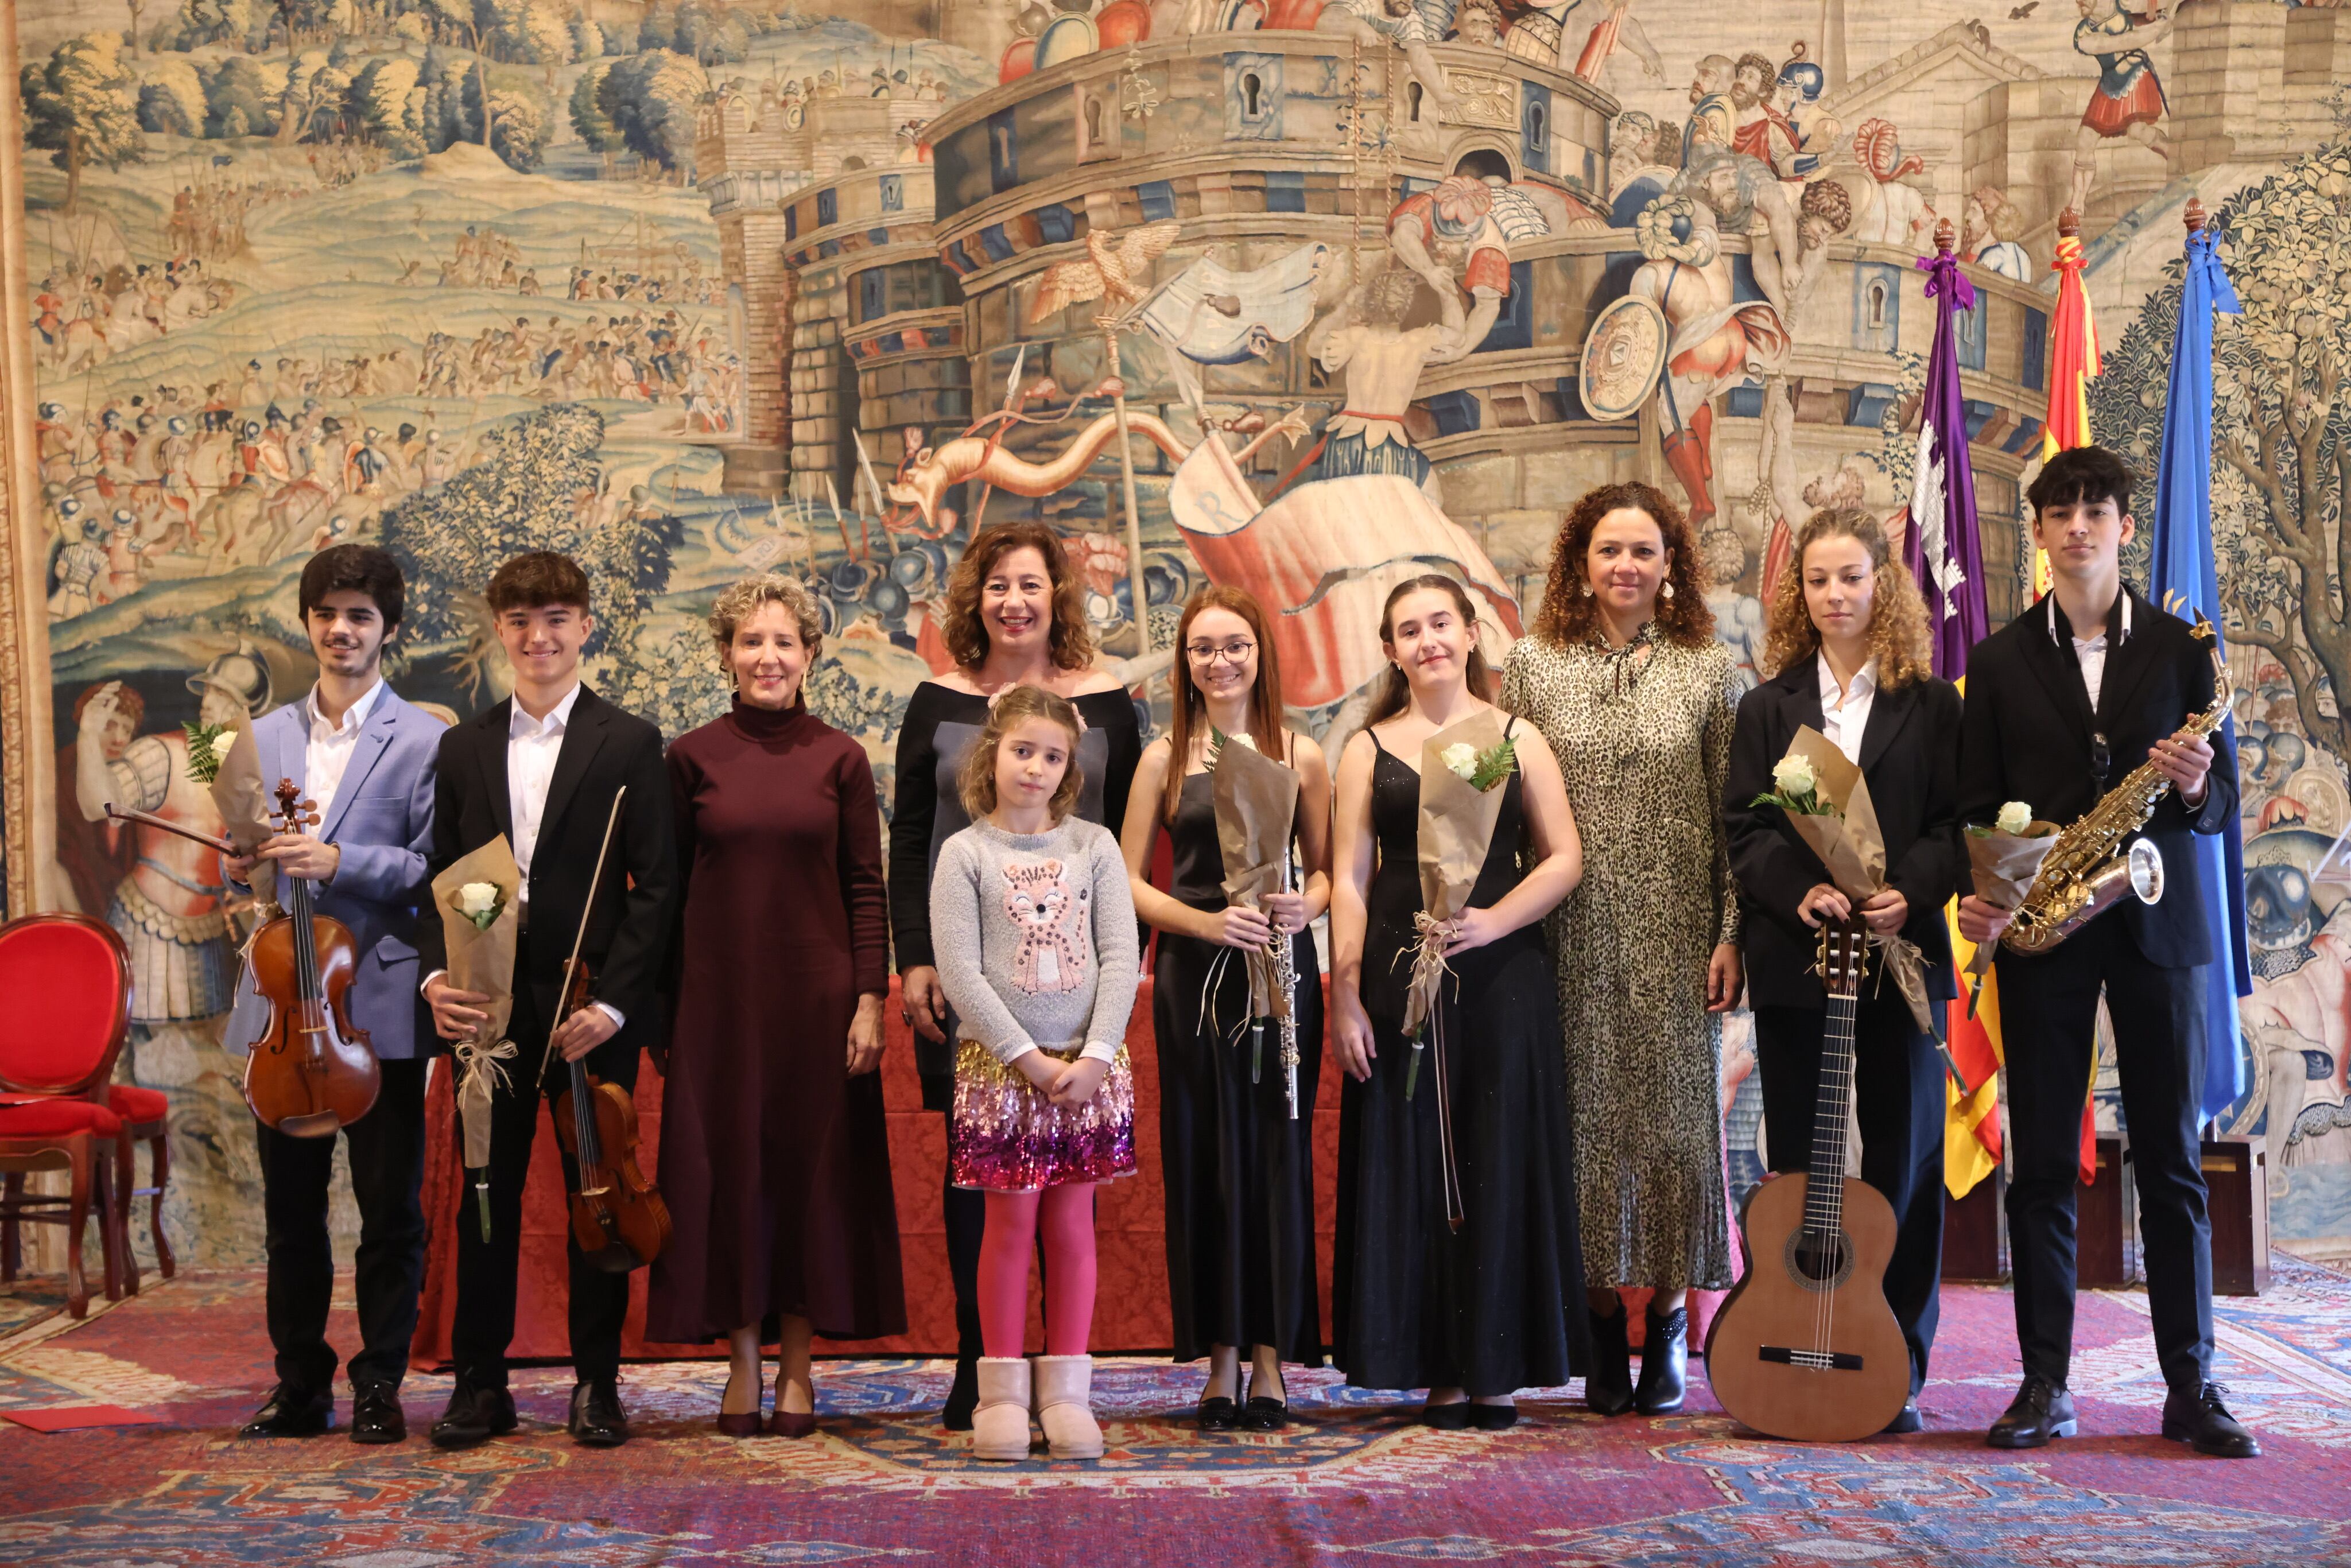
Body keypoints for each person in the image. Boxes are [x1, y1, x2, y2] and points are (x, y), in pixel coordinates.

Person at [1956, 446, 2257, 1458]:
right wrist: (1992, 900)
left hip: (2154, 920)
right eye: (2061, 512)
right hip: (2047, 927)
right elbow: (1971, 809)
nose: (2079, 526)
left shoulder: (2181, 650)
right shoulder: (1996, 664)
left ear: (2126, 526)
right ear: (2038, 533)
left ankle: (2193, 1384)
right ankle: (2044, 1384)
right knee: (2041, 1164)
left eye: (2097, 510)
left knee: (2171, 1160)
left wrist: (2188, 785)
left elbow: (2220, 810)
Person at [418, 553, 678, 1451]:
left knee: (595, 1195)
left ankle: (597, 1386)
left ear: (585, 627)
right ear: (500, 630)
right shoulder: (463, 747)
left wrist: (616, 1010)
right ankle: (480, 1386)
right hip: (486, 1011)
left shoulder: (630, 742)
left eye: (559, 618)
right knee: (482, 1197)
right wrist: (435, 982)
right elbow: (436, 881)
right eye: (523, 621)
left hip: (587, 1004)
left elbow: (658, 892)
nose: (541, 638)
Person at [887, 522, 1141, 1430]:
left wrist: (1113, 1002)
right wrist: (916, 955)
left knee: (1068, 1201)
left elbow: (1130, 832)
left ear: (1056, 597)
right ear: (976, 598)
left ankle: (1064, 1385)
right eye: (997, 585)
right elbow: (911, 836)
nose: (1014, 601)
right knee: (984, 1181)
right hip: (974, 986)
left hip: (1083, 995)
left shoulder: (1109, 701)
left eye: (1030, 584)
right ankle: (980, 1367)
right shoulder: (936, 700)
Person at [1499, 482, 1744, 1417]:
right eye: (1609, 551)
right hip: (1566, 936)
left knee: (1678, 1137)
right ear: (1581, 562)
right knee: (1584, 1137)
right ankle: (1602, 1322)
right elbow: (1511, 816)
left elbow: (1736, 820)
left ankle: (1672, 1320)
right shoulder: (1531, 666)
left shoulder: (1709, 672)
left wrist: (1730, 936)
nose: (1626, 567)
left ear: (1670, 564)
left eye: (1644, 551)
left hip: (1679, 932)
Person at [1722, 508, 1963, 1435]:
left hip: (1901, 957)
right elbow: (1745, 828)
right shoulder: (1769, 707)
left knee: (1905, 1160)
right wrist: (1799, 894)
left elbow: (1958, 825)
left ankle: (1896, 1355)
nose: (1835, 595)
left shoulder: (1934, 705)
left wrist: (1910, 889)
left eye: (1852, 577)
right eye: (1819, 580)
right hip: (1799, 960)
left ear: (1883, 585)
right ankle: (1797, 1328)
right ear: (1800, 593)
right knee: (1800, 1166)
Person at [1328, 575, 1588, 1429]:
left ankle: (1496, 1366)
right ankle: (1435, 1364)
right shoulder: (1367, 748)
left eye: (1441, 622)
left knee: (1497, 1157)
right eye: (1409, 629)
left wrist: (1493, 921)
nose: (1428, 640)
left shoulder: (1520, 736)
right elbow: (1354, 880)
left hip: (1503, 977)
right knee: (1412, 1162)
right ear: (1391, 650)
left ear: (1472, 634)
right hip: (1398, 978)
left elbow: (1562, 859)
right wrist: (1346, 996)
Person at [650, 575, 903, 1437]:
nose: (768, 657)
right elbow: (667, 893)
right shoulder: (688, 758)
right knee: (731, 1181)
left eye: (785, 642)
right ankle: (744, 1366)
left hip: (821, 1002)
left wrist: (871, 1000)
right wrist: (664, 1015)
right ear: (726, 653)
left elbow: (867, 888)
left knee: (810, 1180)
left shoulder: (841, 759)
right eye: (752, 641)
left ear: (810, 655)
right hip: (719, 1006)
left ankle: (799, 1370)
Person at [224, 546, 443, 1445]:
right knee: (291, 1217)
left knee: (389, 1211)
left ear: (387, 628)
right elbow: (238, 864)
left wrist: (341, 861)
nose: (341, 630)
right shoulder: (264, 737)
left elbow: (440, 872)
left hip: (376, 1006)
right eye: (327, 614)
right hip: (286, 1011)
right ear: (307, 624)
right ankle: (299, 1382)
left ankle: (381, 1382)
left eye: (359, 615)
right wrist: (243, 866)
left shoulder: (428, 739)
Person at [1118, 587, 1332, 1431]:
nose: (1220, 661)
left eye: (1235, 645)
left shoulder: (1301, 753)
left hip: (1280, 978)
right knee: (1205, 1157)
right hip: (1192, 979)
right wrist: (1205, 920)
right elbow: (1129, 880)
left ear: (1259, 653)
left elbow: (1326, 872)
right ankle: (1218, 1359)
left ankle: (1273, 1357)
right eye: (1203, 647)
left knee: (1276, 1154)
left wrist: (1301, 909)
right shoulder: (1163, 758)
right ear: (1185, 661)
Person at [930, 685, 1140, 1462]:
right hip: (1002, 1074)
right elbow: (960, 972)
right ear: (994, 754)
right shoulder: (967, 853)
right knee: (1008, 1231)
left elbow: (1121, 952)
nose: (1037, 768)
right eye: (1023, 751)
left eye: (1054, 757)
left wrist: (1094, 1055)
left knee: (1072, 1228)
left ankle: (1067, 1397)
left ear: (1068, 769)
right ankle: (1002, 1397)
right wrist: (1026, 1058)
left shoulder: (1094, 847)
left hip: (1086, 1071)